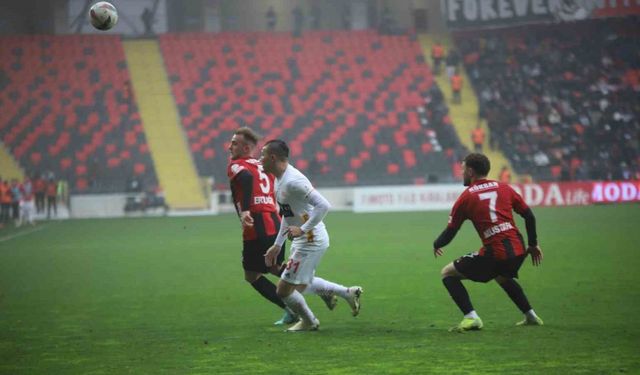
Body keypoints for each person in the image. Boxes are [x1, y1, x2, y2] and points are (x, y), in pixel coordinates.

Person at [227, 128, 336, 326]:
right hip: (277, 221)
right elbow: (283, 202)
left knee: (254, 275)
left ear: (246, 147)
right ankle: (324, 292)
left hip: (258, 221)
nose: (229, 147)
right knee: (279, 268)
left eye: (234, 143)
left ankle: (295, 312)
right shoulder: (270, 171)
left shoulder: (238, 165)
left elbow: (245, 179)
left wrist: (244, 210)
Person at [433, 153, 543, 332]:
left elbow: (451, 231)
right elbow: (529, 215)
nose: (461, 173)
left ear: (470, 171)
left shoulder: (466, 197)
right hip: (518, 249)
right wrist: (532, 244)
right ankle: (531, 315)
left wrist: (437, 244)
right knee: (502, 276)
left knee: (447, 273)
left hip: (495, 253)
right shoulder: (504, 188)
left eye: (462, 170)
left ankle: (471, 317)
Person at [262, 139, 362, 332]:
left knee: (285, 290)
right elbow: (288, 214)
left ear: (273, 157)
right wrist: (277, 245)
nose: (260, 159)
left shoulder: (293, 181)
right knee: (302, 283)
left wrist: (303, 229)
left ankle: (309, 321)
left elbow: (324, 205)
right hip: (304, 239)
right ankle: (347, 293)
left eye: (263, 155)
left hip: (311, 240)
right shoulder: (279, 179)